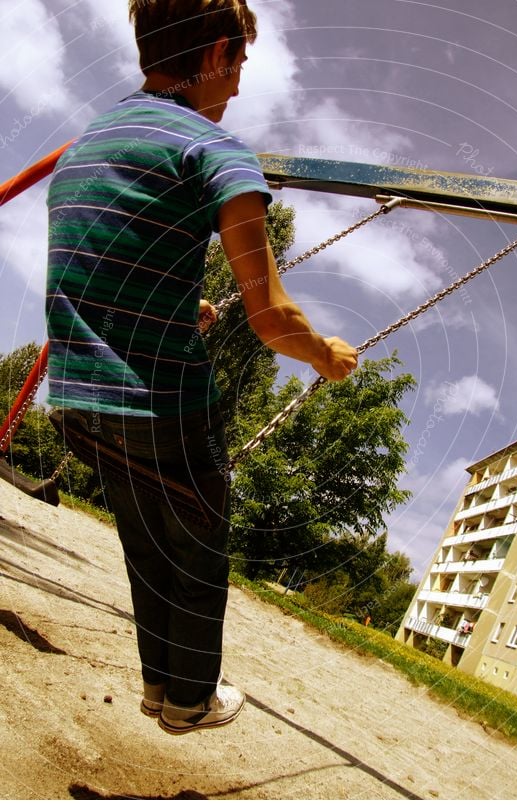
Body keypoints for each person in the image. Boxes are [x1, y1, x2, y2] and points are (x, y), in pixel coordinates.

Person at [45, 0, 358, 735]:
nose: (241, 86)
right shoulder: (215, 150)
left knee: (146, 541)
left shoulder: (89, 143)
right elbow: (272, 315)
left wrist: (176, 311)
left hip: (78, 399)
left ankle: (161, 687)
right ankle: (188, 697)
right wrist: (325, 353)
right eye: (241, 64)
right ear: (217, 52)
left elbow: (99, 261)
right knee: (197, 544)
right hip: (160, 407)